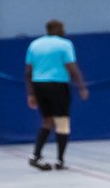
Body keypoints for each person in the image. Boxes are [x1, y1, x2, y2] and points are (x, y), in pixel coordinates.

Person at [25, 19, 89, 171]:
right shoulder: (65, 44)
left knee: (47, 121)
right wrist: (81, 86)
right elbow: (72, 68)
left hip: (38, 84)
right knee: (62, 123)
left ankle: (36, 155)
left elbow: (28, 72)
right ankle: (60, 161)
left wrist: (31, 93)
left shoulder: (34, 44)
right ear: (59, 29)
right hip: (57, 85)